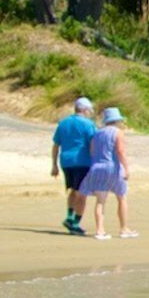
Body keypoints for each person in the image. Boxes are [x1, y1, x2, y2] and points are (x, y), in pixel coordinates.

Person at [80, 105, 133, 240]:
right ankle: (123, 229)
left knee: (100, 201)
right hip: (113, 167)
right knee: (121, 197)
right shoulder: (117, 132)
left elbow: (92, 151)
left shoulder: (97, 133)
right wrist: (126, 168)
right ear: (117, 120)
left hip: (97, 167)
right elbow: (120, 151)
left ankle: (100, 231)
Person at [53, 95, 100, 235]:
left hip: (66, 161)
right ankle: (75, 223)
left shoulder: (63, 123)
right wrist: (96, 162)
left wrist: (54, 165)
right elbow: (93, 144)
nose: (90, 113)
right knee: (82, 193)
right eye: (89, 110)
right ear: (84, 110)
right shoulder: (88, 124)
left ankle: (69, 217)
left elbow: (56, 145)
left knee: (74, 189)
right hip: (82, 161)